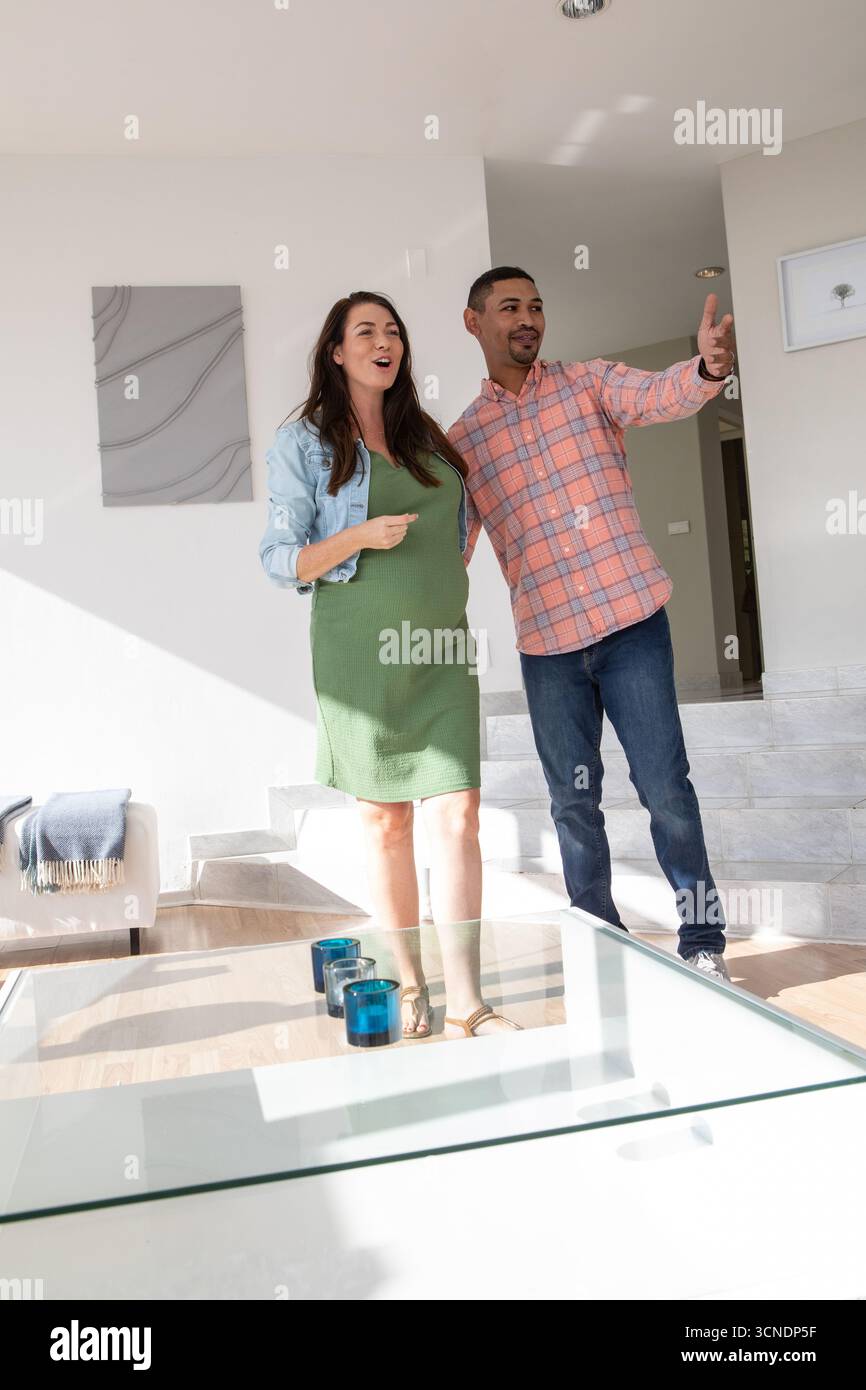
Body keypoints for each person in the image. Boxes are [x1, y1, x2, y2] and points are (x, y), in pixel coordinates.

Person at [447, 267, 736, 981]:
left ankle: (702, 944)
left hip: (630, 625)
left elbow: (663, 394)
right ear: (473, 322)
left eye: (536, 307)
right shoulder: (466, 441)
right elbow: (450, 547)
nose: (527, 318)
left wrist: (705, 368)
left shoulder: (589, 384)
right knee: (573, 803)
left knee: (665, 787)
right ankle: (599, 945)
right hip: (548, 650)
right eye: (510, 307)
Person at [259, 290, 520, 1036]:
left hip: (438, 647)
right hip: (358, 652)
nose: (385, 341)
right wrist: (360, 537)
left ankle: (468, 999)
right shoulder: (304, 445)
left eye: (394, 331)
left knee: (460, 814)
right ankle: (411, 984)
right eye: (366, 331)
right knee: (386, 824)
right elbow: (283, 561)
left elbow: (456, 532)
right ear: (336, 352)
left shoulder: (428, 438)